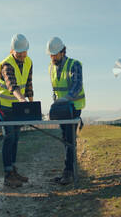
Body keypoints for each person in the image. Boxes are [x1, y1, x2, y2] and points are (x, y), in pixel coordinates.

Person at [0, 34, 33, 187]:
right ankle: (7, 175)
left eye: (24, 51)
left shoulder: (28, 61)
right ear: (12, 51)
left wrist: (30, 103)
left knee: (16, 137)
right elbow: (12, 86)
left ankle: (13, 170)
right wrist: (21, 99)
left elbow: (29, 84)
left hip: (18, 106)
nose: (22, 55)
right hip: (5, 106)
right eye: (19, 52)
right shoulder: (7, 65)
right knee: (9, 137)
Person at [47, 37, 86, 184]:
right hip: (62, 109)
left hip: (73, 107)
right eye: (50, 55)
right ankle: (68, 170)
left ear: (63, 52)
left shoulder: (74, 64)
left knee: (70, 140)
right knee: (65, 139)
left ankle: (69, 173)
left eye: (55, 55)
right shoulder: (51, 66)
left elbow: (77, 85)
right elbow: (55, 88)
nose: (52, 57)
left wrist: (67, 98)